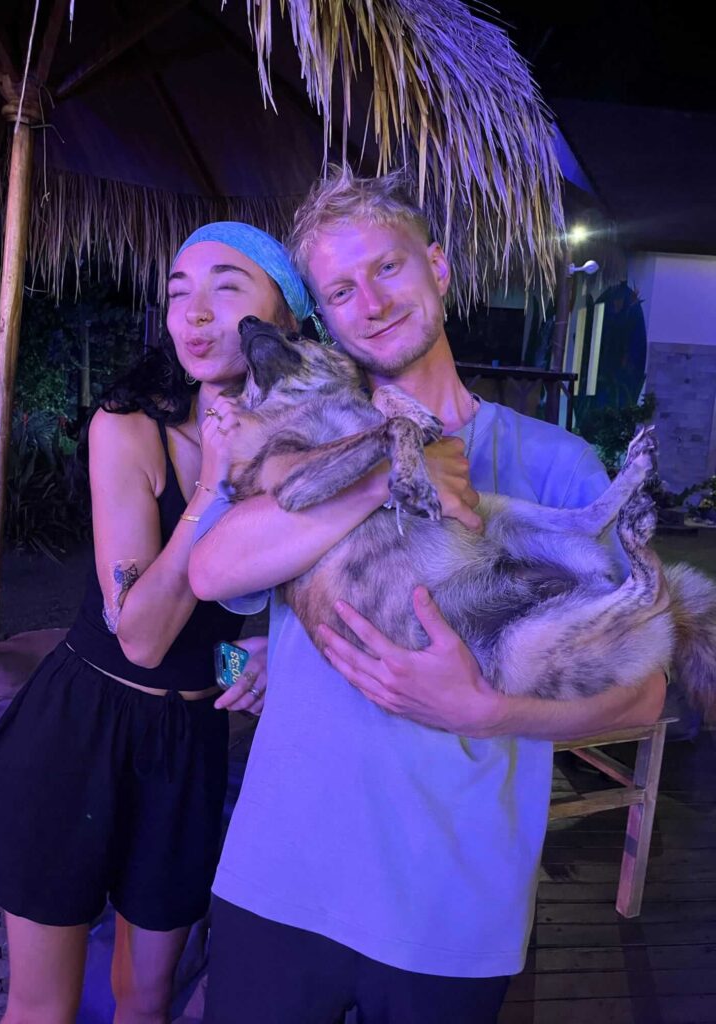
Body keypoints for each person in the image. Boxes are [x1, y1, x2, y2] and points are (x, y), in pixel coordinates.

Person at [188, 170, 667, 1024]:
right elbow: (214, 575)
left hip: (447, 909)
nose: (368, 302)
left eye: (387, 269)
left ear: (438, 270)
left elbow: (647, 690)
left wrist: (486, 711)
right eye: (339, 289)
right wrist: (260, 657)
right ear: (324, 318)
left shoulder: (552, 465)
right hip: (277, 878)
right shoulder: (309, 438)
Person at [0, 222, 313, 1024]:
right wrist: (214, 491)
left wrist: (250, 657)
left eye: (227, 288)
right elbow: (144, 637)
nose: (195, 312)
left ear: (287, 319)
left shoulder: (306, 450)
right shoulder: (128, 429)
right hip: (82, 733)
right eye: (180, 292)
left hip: (186, 750)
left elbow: (239, 620)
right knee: (43, 1009)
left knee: (144, 1001)